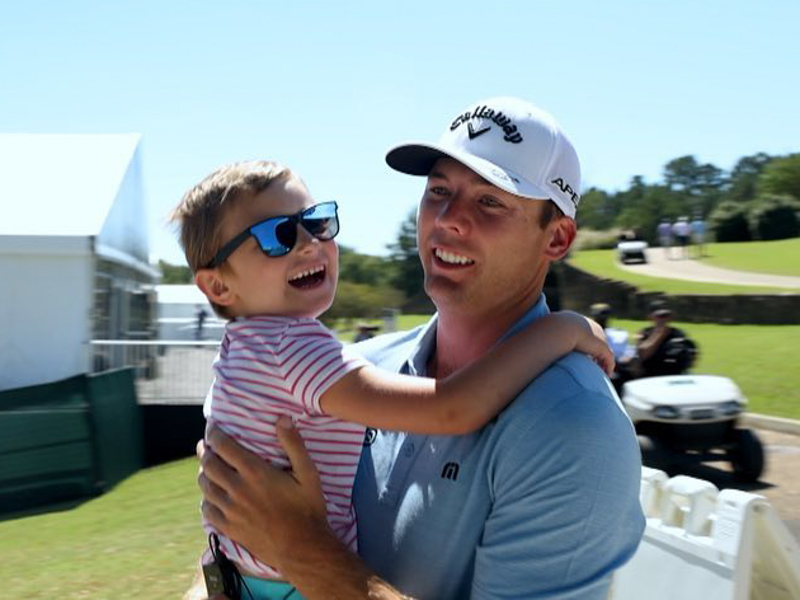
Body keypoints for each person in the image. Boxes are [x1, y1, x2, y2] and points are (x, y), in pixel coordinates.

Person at [195, 97, 645, 600]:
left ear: (558, 239)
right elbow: (227, 535)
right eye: (438, 191)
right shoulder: (364, 366)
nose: (448, 219)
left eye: (491, 201)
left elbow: (277, 538)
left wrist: (299, 550)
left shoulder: (575, 426)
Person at [636, 300, 695, 377]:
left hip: (675, 373)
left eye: (666, 315)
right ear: (651, 317)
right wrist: (659, 334)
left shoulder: (678, 333)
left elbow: (690, 356)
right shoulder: (644, 333)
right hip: (651, 374)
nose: (663, 319)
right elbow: (642, 354)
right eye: (660, 316)